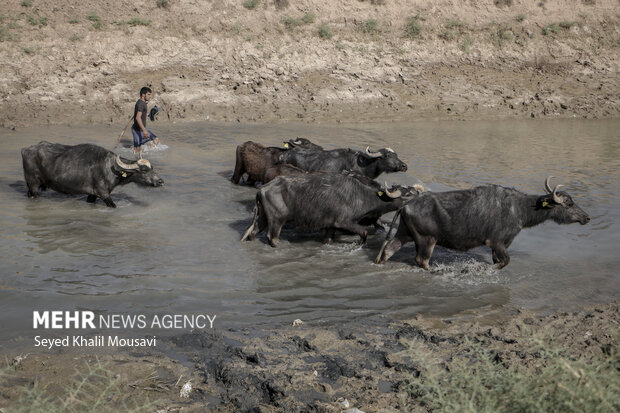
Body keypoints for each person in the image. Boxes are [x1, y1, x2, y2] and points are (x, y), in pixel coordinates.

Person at [119, 86, 160, 153]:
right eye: (148, 94)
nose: (150, 96)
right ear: (143, 95)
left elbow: (140, 113)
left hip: (141, 129)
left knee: (156, 139)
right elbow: (138, 117)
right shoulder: (141, 104)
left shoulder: (141, 102)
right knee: (136, 150)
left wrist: (149, 114)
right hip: (137, 130)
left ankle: (147, 153)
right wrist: (144, 131)